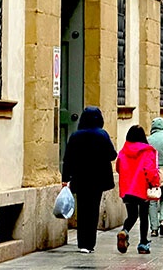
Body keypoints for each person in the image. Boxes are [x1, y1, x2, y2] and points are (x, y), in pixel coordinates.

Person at [61, 106, 117, 254]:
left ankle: (82, 243)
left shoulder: (75, 136)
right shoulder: (102, 135)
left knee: (82, 211)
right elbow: (112, 155)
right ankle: (90, 243)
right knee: (93, 210)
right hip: (97, 180)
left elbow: (68, 160)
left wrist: (65, 179)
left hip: (80, 178)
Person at [116, 125, 160, 255]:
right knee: (144, 216)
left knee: (132, 215)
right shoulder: (148, 151)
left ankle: (125, 231)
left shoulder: (123, 151)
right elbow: (150, 170)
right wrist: (154, 183)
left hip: (127, 189)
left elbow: (118, 168)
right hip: (141, 189)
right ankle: (143, 244)